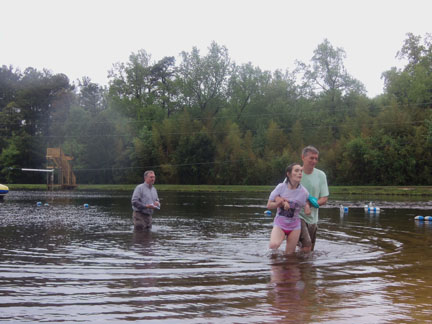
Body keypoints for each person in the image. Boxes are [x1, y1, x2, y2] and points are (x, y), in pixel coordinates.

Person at [267, 163, 311, 254]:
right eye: (296, 170)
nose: (300, 173)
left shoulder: (304, 192)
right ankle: (275, 262)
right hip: (280, 224)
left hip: (295, 226)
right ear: (288, 174)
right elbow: (269, 205)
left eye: (301, 171)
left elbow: (307, 200)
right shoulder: (281, 187)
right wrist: (279, 203)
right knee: (273, 245)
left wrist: (307, 206)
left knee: (289, 255)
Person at [298, 146, 329, 252]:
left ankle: (301, 266)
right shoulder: (295, 173)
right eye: (311, 158)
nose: (314, 161)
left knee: (309, 250)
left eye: (316, 158)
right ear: (303, 157)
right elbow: (284, 192)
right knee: (306, 246)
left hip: (313, 218)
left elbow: (324, 198)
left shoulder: (321, 175)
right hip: (297, 216)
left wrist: (310, 203)